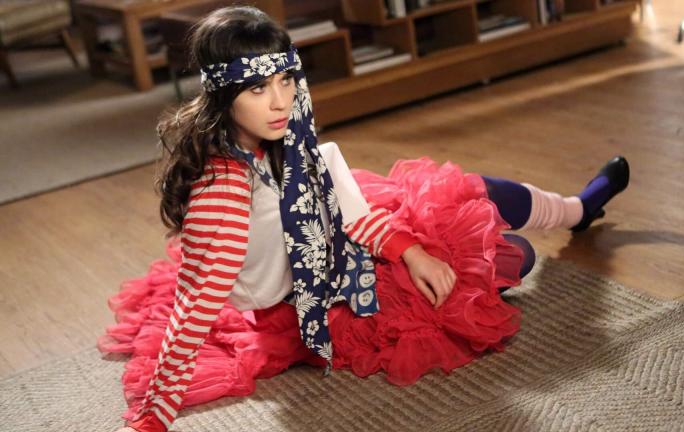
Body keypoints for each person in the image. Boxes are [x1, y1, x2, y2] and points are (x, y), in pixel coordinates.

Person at [103, 6, 630, 432]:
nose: (280, 101)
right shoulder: (222, 195)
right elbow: (194, 309)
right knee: (515, 258)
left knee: (469, 194)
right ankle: (572, 214)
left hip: (336, 242)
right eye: (258, 89)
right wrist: (153, 416)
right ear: (224, 94)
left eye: (286, 81)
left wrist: (412, 251)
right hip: (309, 298)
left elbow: (351, 214)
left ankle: (577, 209)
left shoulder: (287, 140)